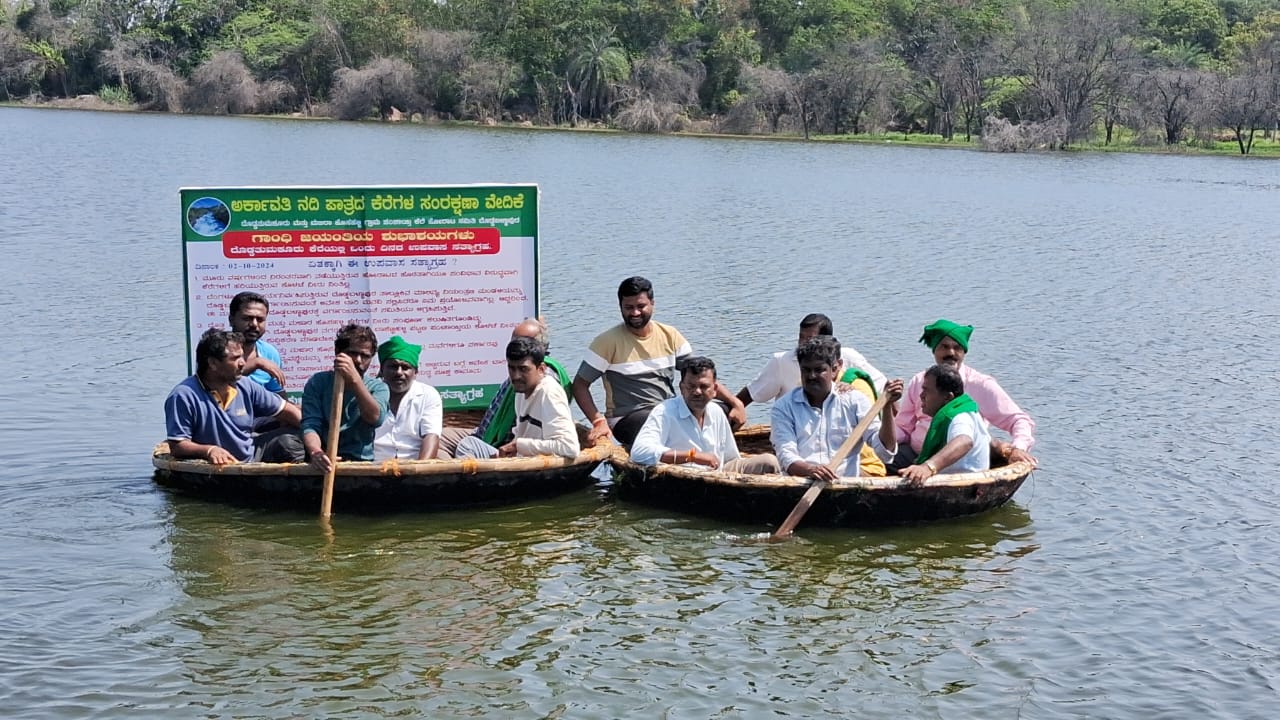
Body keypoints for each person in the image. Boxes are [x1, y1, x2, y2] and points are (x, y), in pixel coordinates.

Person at [574, 276, 746, 447]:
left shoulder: (670, 335)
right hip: (629, 417)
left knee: (724, 411)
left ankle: (708, 450)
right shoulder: (606, 342)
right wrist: (598, 420)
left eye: (641, 306)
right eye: (629, 307)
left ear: (652, 303)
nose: (635, 313)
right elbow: (580, 385)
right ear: (620, 307)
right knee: (661, 423)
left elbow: (701, 376)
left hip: (669, 409)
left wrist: (735, 402)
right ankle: (689, 452)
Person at [893, 319, 1037, 469]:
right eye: (944, 347)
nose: (951, 353)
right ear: (934, 350)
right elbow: (903, 427)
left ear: (964, 352)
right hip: (917, 457)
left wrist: (1018, 448)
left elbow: (1018, 420)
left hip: (961, 463)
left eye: (957, 348)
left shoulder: (980, 384)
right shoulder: (920, 381)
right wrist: (877, 443)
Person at [771, 336, 903, 480]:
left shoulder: (854, 401)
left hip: (845, 486)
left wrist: (887, 406)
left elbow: (885, 452)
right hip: (801, 485)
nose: (812, 376)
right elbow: (786, 455)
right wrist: (811, 470)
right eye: (806, 370)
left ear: (834, 369)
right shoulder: (784, 407)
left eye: (819, 370)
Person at [164, 328, 301, 465]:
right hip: (213, 465)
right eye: (235, 358)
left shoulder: (245, 385)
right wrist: (209, 450)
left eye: (241, 356)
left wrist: (315, 438)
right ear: (212, 363)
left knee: (294, 438)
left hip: (252, 454)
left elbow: (287, 410)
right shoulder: (183, 396)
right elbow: (177, 446)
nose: (242, 363)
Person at [441, 318, 571, 456]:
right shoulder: (520, 388)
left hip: (511, 448)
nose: (516, 375)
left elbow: (568, 447)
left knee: (467, 446)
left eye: (521, 342)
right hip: (491, 436)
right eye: (512, 368)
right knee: (440, 437)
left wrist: (518, 446)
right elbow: (519, 431)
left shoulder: (546, 386)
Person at [631, 356, 781, 473]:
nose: (697, 392)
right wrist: (692, 456)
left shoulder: (716, 411)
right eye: (691, 386)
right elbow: (640, 452)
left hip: (720, 473)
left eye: (703, 387)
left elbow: (730, 459)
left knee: (770, 461)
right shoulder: (664, 412)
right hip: (686, 476)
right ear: (682, 388)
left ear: (715, 389)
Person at [280, 323, 390, 472]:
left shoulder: (378, 387)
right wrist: (316, 452)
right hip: (323, 462)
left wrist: (355, 381)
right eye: (352, 353)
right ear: (338, 352)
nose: (358, 360)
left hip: (360, 463)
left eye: (365, 356)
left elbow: (375, 418)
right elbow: (311, 424)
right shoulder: (318, 382)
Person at [737, 313, 886, 407]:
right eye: (800, 337)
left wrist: (850, 385)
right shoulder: (782, 362)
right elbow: (750, 394)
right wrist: (733, 408)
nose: (802, 344)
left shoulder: (848, 357)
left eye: (809, 339)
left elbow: (882, 385)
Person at [897, 363, 990, 485]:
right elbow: (986, 440)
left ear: (947, 397)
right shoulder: (964, 410)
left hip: (964, 484)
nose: (921, 395)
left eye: (927, 390)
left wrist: (927, 467)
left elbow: (964, 441)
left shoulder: (960, 417)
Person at [373, 335, 444, 461]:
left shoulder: (428, 395)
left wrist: (420, 473)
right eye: (393, 367)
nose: (399, 372)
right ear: (382, 370)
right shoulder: (370, 393)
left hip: (414, 466)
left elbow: (431, 436)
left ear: (415, 372)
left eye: (405, 367)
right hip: (374, 467)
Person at [228, 291, 286, 397]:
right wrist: (257, 363)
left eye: (260, 320)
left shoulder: (270, 353)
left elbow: (277, 395)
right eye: (247, 318)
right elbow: (219, 381)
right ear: (231, 320)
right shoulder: (216, 348)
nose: (254, 324)